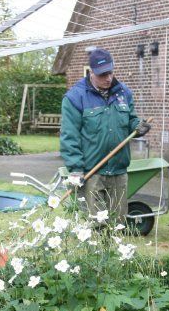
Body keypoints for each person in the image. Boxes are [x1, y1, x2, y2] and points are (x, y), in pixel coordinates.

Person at [60, 48, 149, 225]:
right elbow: (70, 136)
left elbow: (131, 119)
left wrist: (137, 126)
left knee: (118, 225)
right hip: (92, 173)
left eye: (110, 72)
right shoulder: (75, 97)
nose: (108, 78)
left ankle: (114, 252)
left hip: (119, 171)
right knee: (96, 226)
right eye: (102, 75)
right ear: (91, 72)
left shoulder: (123, 92)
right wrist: (76, 168)